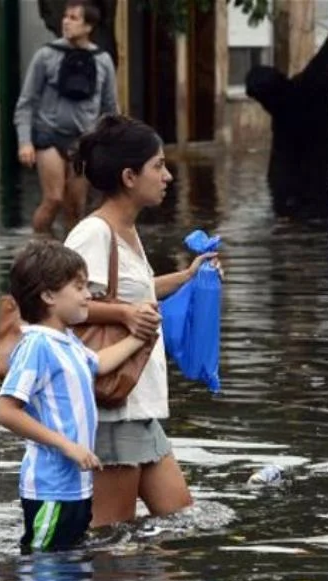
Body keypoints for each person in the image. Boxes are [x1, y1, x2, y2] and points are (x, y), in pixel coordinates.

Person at [63, 115, 220, 528]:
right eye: (159, 166)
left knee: (181, 520)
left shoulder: (127, 231)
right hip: (116, 409)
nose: (167, 176)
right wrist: (126, 314)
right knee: (110, 538)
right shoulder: (92, 234)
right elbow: (63, 308)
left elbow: (136, 290)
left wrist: (187, 277)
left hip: (139, 403)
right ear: (130, 176)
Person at [0, 240, 148, 553]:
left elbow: (100, 363)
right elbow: (7, 411)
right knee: (44, 565)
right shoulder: (37, 346)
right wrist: (67, 446)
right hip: (50, 487)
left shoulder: (67, 342)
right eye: (79, 287)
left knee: (70, 565)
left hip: (75, 487)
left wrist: (141, 337)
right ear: (49, 296)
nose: (88, 295)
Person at [13, 0, 118, 237]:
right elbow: (26, 102)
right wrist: (25, 141)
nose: (65, 22)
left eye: (73, 18)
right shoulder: (45, 55)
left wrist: (111, 144)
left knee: (75, 207)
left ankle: (69, 258)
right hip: (48, 136)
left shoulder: (103, 60)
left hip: (82, 141)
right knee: (53, 198)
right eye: (65, 17)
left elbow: (110, 108)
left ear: (88, 26)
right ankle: (39, 249)